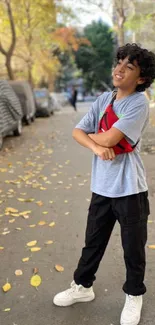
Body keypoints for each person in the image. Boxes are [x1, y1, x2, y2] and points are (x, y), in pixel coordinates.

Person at [53, 43, 155, 325]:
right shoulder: (102, 100)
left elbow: (110, 139)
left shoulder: (137, 103)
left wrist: (96, 137)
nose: (120, 69)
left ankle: (134, 294)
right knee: (93, 243)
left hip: (130, 189)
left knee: (133, 248)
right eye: (119, 63)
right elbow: (77, 132)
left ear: (142, 78)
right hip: (102, 187)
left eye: (129, 67)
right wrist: (97, 147)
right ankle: (83, 287)